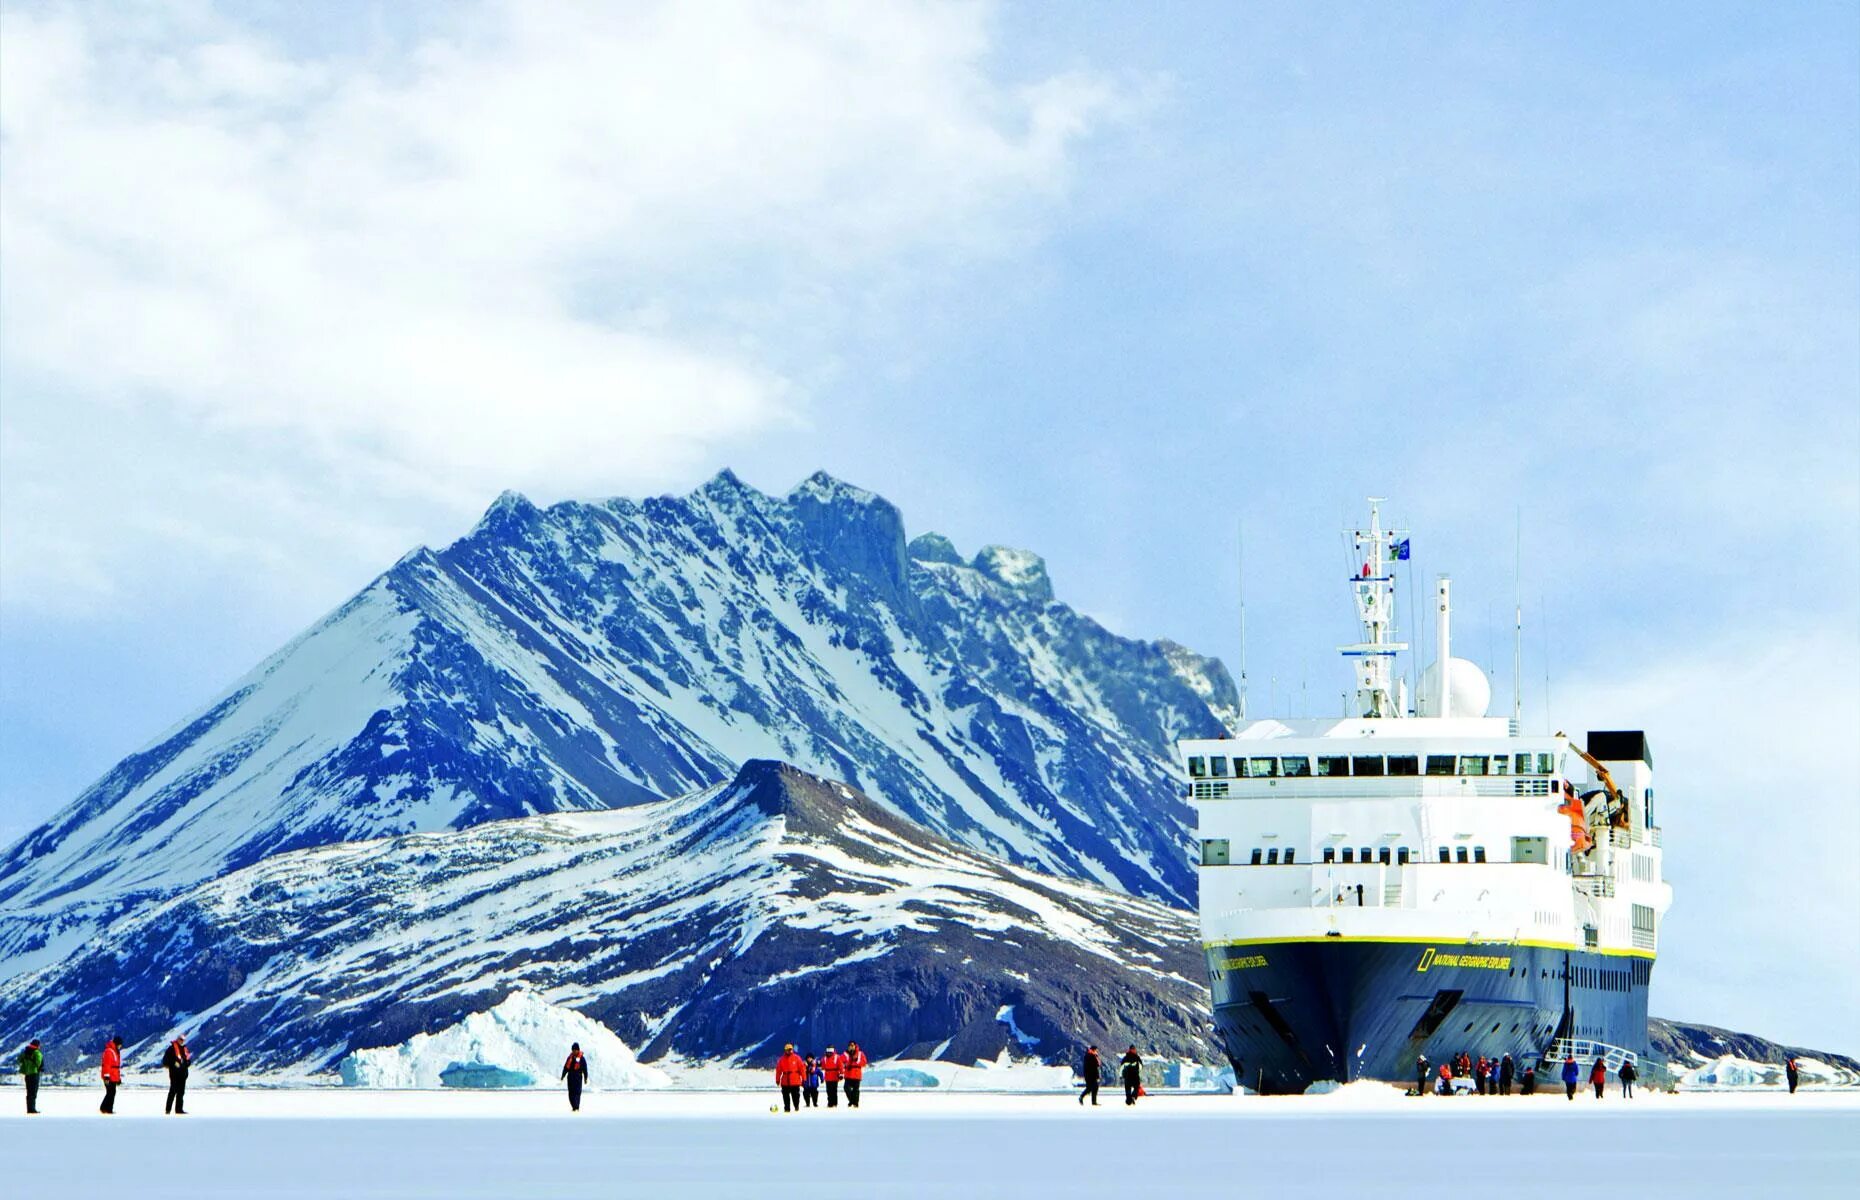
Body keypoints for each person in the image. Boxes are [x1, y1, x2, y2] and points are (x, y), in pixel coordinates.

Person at [161, 1034, 192, 1114]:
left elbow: (188, 1060)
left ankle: (179, 1109)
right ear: (177, 1039)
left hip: (183, 1075)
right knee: (173, 1091)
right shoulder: (171, 1049)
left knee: (181, 1093)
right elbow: (165, 1061)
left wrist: (186, 1063)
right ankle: (168, 1110)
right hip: (175, 1074)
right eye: (181, 1039)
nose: (182, 1041)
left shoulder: (184, 1049)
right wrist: (174, 1064)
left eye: (183, 1040)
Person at [776, 1044, 806, 1113]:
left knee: (795, 1095)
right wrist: (777, 1080)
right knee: (785, 1096)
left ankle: (796, 1107)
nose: (790, 1051)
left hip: (795, 1080)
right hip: (785, 1080)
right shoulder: (782, 1059)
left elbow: (802, 1069)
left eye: (791, 1049)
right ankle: (787, 1108)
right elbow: (778, 1070)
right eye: (788, 1050)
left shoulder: (797, 1058)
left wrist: (804, 1079)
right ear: (785, 1050)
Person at [561, 1042, 589, 1112]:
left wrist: (585, 1078)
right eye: (572, 1050)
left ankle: (576, 1107)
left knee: (577, 1093)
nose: (573, 1051)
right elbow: (566, 1067)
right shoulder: (569, 1058)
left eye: (575, 1050)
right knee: (571, 1093)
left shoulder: (582, 1059)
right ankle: (574, 1106)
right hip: (570, 1077)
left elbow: (585, 1069)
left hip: (578, 1077)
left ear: (578, 1050)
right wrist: (563, 1076)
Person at [17, 1039, 42, 1114]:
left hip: (27, 1075)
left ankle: (29, 1109)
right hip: (34, 1074)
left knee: (29, 1092)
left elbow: (19, 1060)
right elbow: (38, 1063)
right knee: (33, 1092)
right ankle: (32, 1109)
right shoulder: (37, 1053)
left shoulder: (25, 1052)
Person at [100, 1036, 122, 1114]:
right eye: (120, 1045)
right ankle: (106, 1108)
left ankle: (106, 1108)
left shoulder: (115, 1051)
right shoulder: (109, 1051)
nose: (120, 1046)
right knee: (111, 1092)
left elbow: (116, 1067)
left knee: (111, 1092)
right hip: (110, 1076)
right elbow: (107, 1065)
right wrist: (106, 1076)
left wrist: (118, 1078)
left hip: (113, 1076)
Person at [843, 1041, 868, 1109]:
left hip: (856, 1074)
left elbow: (864, 1063)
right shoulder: (845, 1054)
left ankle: (855, 1104)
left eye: (852, 1045)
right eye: (850, 1045)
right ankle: (852, 1101)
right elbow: (841, 1061)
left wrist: (856, 1061)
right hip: (848, 1074)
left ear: (855, 1046)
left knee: (856, 1090)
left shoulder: (860, 1054)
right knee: (846, 1088)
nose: (851, 1047)